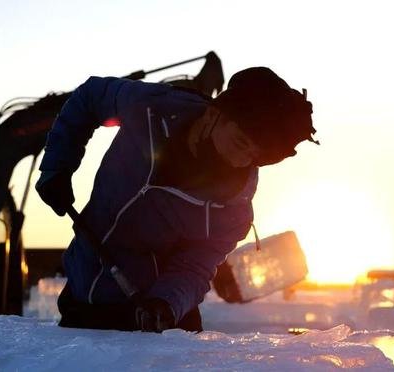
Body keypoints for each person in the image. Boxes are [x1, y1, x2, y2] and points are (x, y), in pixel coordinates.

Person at [35, 67, 316, 332]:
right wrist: (57, 167)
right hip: (83, 296)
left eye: (256, 158)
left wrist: (164, 304)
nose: (241, 161)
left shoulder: (232, 211)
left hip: (155, 323)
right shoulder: (151, 108)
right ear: (213, 115)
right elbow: (91, 96)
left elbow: (194, 267)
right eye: (240, 143)